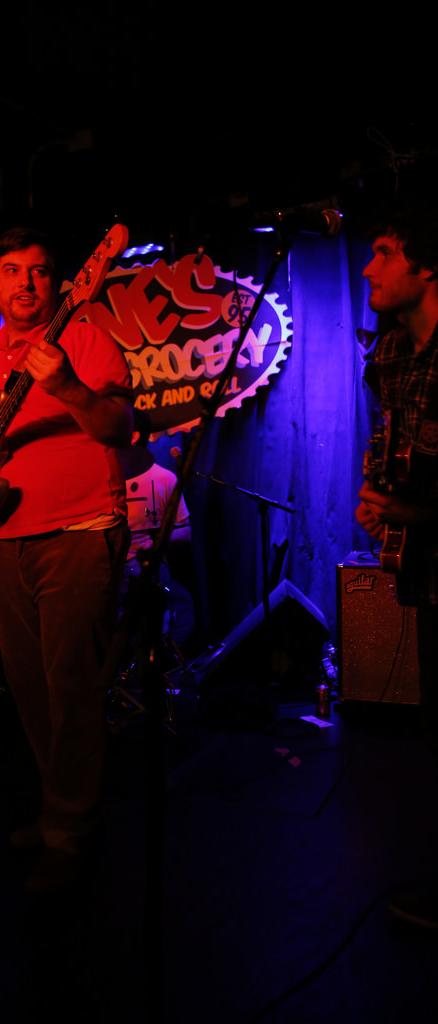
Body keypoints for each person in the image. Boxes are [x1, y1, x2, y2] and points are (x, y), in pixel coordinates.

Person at [0, 227, 133, 891]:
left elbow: (119, 428)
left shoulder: (85, 338)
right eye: (11, 272)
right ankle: (60, 815)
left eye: (39, 272)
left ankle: (71, 832)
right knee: (31, 691)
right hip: (7, 537)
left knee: (70, 686)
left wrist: (69, 386)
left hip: (79, 528)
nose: (25, 284)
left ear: (63, 281)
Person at [355, 207, 438, 927]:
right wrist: (375, 491)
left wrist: (413, 514)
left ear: (426, 265)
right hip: (429, 573)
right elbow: (389, 443)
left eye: (382, 252)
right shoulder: (390, 357)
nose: (367, 268)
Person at [118, 410, 194, 647]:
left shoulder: (164, 479)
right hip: (107, 575)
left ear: (134, 435)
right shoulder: (98, 478)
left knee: (181, 607)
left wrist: (154, 544)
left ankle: (156, 667)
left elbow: (184, 532)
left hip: (146, 573)